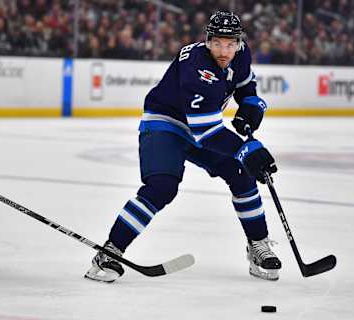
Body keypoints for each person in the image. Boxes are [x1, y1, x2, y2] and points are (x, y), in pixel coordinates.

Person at [85, 11, 281, 283]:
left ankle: (258, 245)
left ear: (238, 43)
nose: (224, 51)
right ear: (207, 41)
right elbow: (208, 132)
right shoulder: (197, 66)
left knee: (242, 173)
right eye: (217, 44)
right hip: (166, 124)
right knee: (162, 187)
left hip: (200, 127)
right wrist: (248, 150)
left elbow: (245, 83)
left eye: (230, 44)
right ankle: (110, 252)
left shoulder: (241, 54)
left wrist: (250, 103)